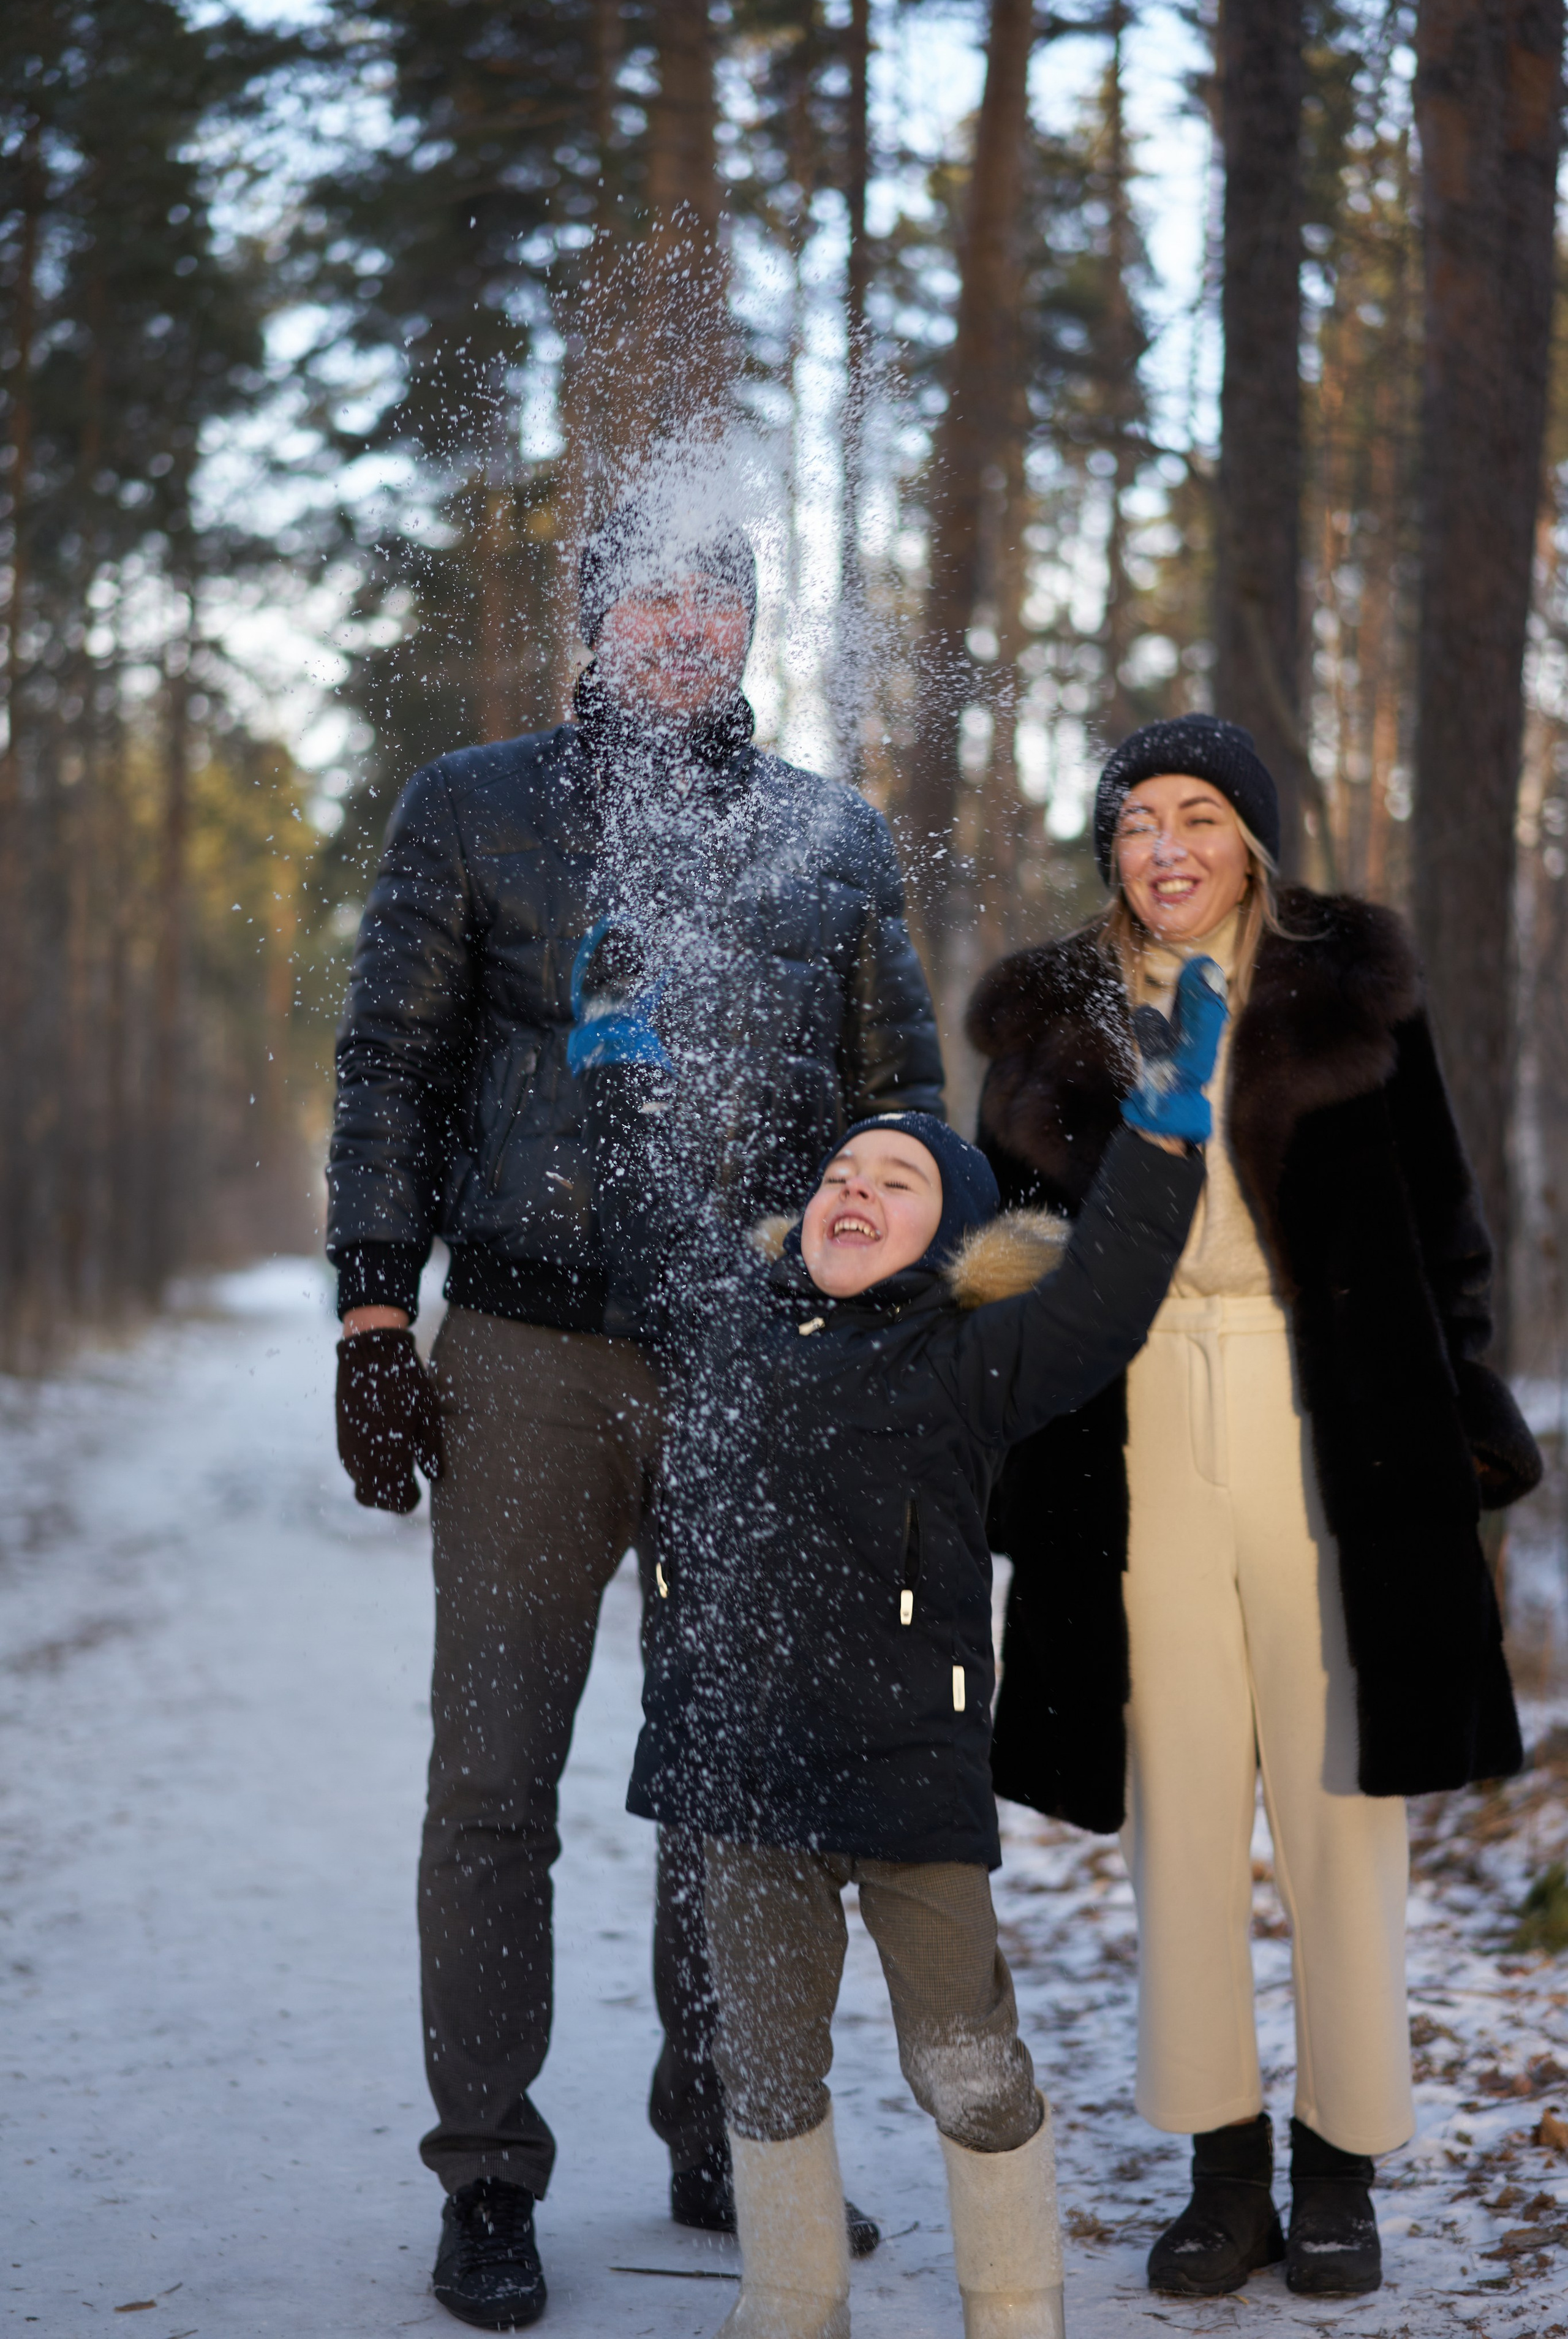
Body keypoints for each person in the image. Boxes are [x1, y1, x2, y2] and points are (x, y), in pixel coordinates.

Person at [325, 494, 944, 2330]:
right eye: (651, 599)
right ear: (594, 625)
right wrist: (376, 1309)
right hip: (526, 1354)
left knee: (740, 1778)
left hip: (757, 1359)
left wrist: (893, 1311)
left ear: (753, 630)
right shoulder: (476, 805)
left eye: (716, 602)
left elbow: (900, 1094)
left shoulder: (830, 835)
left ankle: (735, 2136)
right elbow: (392, 1064)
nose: (684, 630)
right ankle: (490, 2179)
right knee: (494, 1778)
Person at [965, 713, 1542, 2302]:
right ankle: (1222, 2171)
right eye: (1138, 818)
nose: (1164, 845)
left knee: (1343, 1798)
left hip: (1331, 1417)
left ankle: (1340, 2166)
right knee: (1183, 1810)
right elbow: (1002, 1260)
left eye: (1197, 814)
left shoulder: (1355, 989)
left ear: (1254, 839)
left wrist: (1457, 1426)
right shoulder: (1051, 1022)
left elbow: (1447, 1230)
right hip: (1132, 1429)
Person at [611, 954, 1222, 2339]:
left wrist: (1164, 1138)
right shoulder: (729, 1322)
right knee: (761, 2067)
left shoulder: (969, 1361)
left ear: (950, 1242)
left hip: (904, 1772)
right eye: (841, 1175)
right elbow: (651, 1223)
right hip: (739, 1773)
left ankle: (1013, 2302)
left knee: (962, 2060)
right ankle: (789, 2299)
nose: (852, 1192)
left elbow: (1108, 1295)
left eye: (896, 1186)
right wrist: (621, 1070)